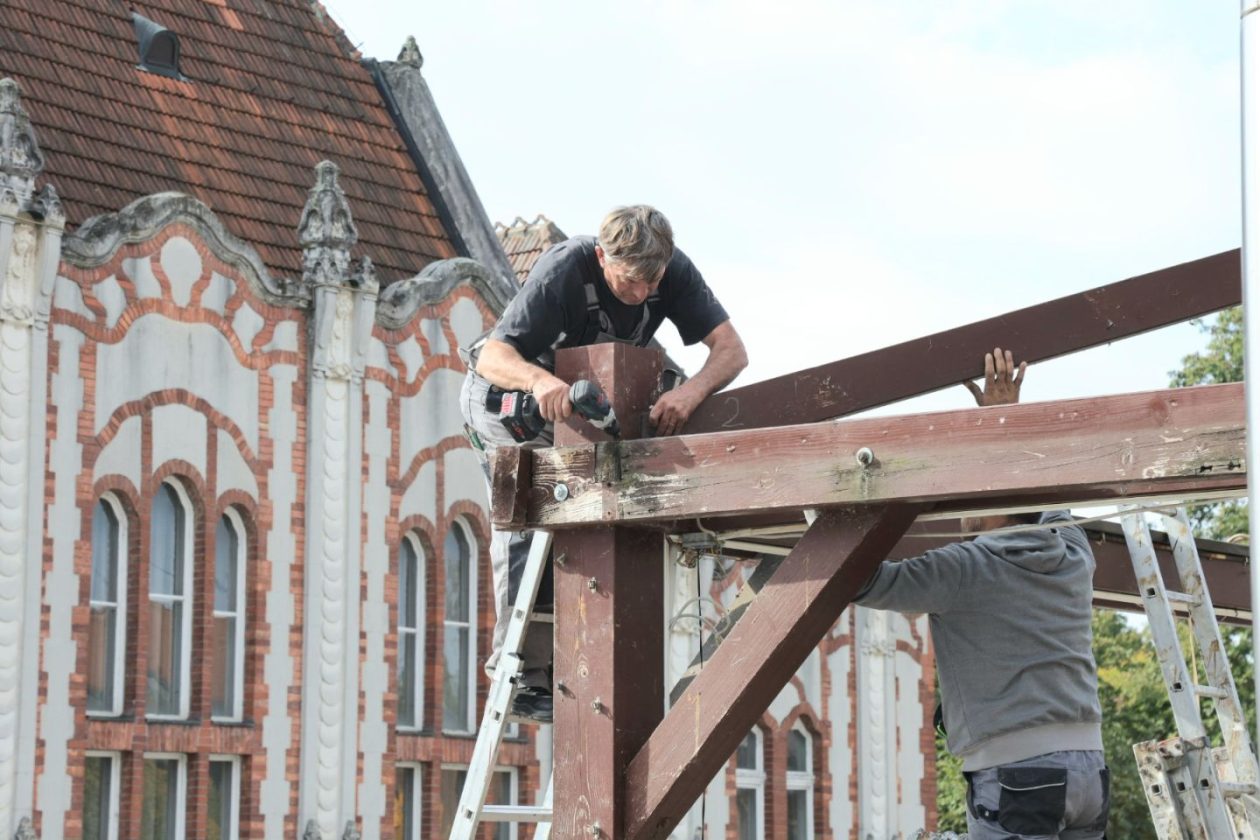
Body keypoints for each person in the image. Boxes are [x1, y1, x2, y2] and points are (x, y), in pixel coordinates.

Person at [459, 205, 748, 720]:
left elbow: (731, 350)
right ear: (601, 256)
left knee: (611, 498)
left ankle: (583, 659)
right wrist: (540, 382)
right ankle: (522, 670)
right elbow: (493, 357)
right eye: (629, 281)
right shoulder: (564, 269)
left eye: (650, 282)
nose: (640, 294)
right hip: (509, 404)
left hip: (584, 407)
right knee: (530, 513)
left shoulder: (672, 271)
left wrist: (692, 393)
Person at [854, 348, 1109, 839]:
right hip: (1089, 770)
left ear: (986, 492)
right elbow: (1048, 490)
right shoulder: (1074, 552)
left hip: (1016, 773)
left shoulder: (966, 567)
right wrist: (1003, 419)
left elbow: (862, 580)